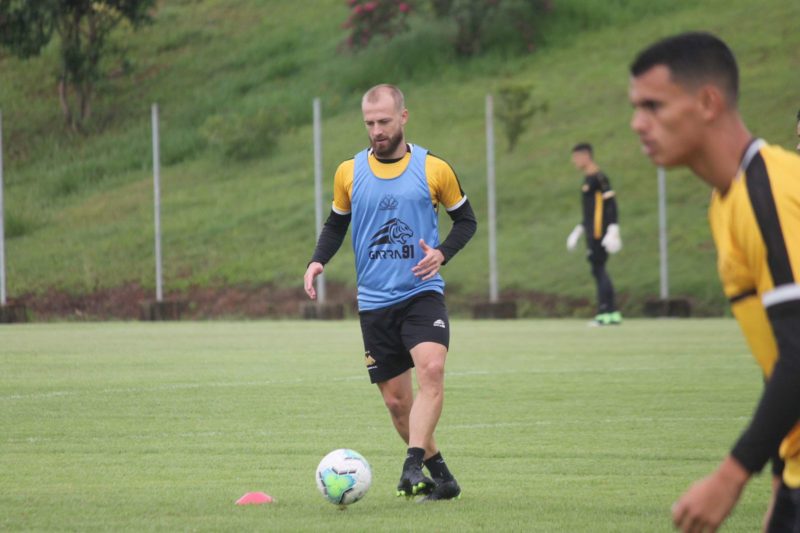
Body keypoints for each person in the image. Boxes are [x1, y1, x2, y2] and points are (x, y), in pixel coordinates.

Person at [629, 31, 800, 532]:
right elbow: (780, 362)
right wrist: (780, 482)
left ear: (707, 102)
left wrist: (731, 476)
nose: (638, 124)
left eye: (653, 106)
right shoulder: (729, 200)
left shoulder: (772, 192)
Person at [303, 84, 477, 501]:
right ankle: (443, 478)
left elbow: (466, 221)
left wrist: (441, 253)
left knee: (431, 370)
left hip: (421, 293)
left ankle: (411, 463)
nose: (377, 130)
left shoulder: (434, 168)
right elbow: (336, 223)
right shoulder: (349, 171)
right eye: (369, 123)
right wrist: (317, 259)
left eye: (383, 121)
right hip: (375, 303)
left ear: (403, 117)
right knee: (398, 405)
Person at [565, 143, 623, 326]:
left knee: (598, 268)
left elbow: (611, 204)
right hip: (591, 231)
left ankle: (605, 312)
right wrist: (579, 229)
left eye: (576, 157)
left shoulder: (599, 177)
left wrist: (613, 228)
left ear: (585, 156)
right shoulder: (588, 179)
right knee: (598, 269)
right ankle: (611, 312)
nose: (574, 161)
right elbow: (591, 211)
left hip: (599, 233)